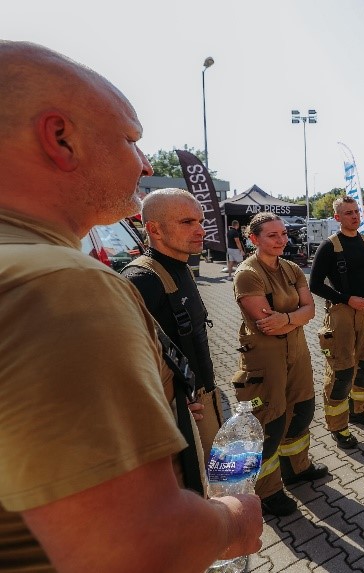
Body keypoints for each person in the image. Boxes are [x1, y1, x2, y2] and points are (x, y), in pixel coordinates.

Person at [0, 40, 261, 572]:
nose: (144, 163)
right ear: (60, 137)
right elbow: (138, 545)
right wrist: (234, 523)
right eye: (130, 139)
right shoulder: (62, 285)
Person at [232, 212, 327, 516]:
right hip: (265, 358)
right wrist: (296, 317)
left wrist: (286, 318)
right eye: (272, 235)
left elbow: (311, 309)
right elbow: (267, 325)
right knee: (269, 422)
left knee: (302, 410)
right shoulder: (248, 274)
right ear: (254, 239)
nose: (281, 240)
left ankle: (296, 469)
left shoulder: (292, 268)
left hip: (296, 351)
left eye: (283, 234)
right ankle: (268, 490)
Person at [121, 188, 224, 457]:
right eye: (187, 222)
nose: (200, 230)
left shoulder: (181, 267)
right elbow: (119, 364)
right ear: (154, 229)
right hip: (181, 416)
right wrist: (165, 407)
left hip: (205, 399)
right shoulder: (142, 280)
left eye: (200, 221)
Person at [310, 196, 364, 448]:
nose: (354, 216)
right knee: (342, 371)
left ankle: (358, 410)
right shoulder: (329, 246)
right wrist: (346, 299)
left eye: (356, 211)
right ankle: (338, 426)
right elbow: (315, 284)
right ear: (337, 218)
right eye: (348, 213)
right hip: (341, 314)